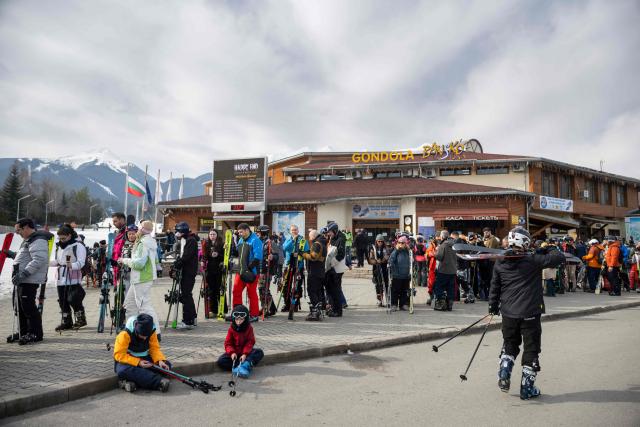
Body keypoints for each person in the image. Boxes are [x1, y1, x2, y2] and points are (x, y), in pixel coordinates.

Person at [489, 227, 564, 400]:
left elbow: (495, 286)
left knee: (510, 343)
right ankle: (527, 388)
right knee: (531, 349)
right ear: (525, 242)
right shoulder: (533, 260)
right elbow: (558, 258)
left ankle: (504, 371)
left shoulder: (501, 261)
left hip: (508, 311)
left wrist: (492, 306)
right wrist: (547, 247)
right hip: (530, 311)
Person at [5, 218, 53, 344]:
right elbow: (26, 257)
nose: (17, 233)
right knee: (19, 307)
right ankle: (23, 331)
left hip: (29, 279)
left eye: (18, 230)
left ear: (26, 227)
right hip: (22, 279)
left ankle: (36, 333)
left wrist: (24, 273)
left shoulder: (38, 239)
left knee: (28, 307)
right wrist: (13, 255)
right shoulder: (29, 239)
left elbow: (39, 259)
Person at [118, 221, 162, 338]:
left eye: (139, 229)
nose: (136, 232)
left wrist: (124, 260)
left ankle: (156, 333)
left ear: (142, 230)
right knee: (130, 304)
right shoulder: (149, 242)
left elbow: (139, 264)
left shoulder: (143, 243)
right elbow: (155, 260)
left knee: (145, 306)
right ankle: (131, 330)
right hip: (141, 278)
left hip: (141, 278)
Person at [113, 313, 171, 393]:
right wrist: (138, 362)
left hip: (145, 359)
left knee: (167, 365)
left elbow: (154, 348)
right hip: (129, 362)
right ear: (136, 329)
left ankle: (131, 382)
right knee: (123, 371)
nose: (144, 338)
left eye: (146, 336)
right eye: (142, 335)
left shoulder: (152, 331)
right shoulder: (124, 334)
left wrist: (160, 360)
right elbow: (119, 355)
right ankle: (158, 383)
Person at [50, 224, 87, 331]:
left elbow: (81, 262)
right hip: (61, 277)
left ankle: (80, 319)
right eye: (60, 238)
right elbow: (58, 261)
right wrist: (48, 263)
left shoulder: (78, 246)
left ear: (69, 235)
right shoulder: (59, 246)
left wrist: (72, 265)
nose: (62, 240)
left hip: (73, 277)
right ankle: (67, 321)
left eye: (64, 238)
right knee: (62, 300)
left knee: (74, 299)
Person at [216, 305, 264, 378]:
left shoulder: (249, 328)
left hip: (245, 353)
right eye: (236, 319)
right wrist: (232, 353)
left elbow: (250, 342)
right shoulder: (231, 329)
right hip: (235, 353)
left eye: (241, 319)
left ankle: (245, 365)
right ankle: (241, 366)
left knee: (259, 352)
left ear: (245, 319)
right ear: (233, 319)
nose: (238, 322)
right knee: (221, 361)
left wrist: (245, 354)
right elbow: (228, 343)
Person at [233, 223, 263, 321]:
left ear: (247, 230)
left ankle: (254, 315)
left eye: (241, 232)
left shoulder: (255, 240)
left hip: (251, 272)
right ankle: (237, 312)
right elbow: (237, 253)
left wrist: (248, 268)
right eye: (239, 232)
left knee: (251, 293)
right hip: (240, 270)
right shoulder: (241, 240)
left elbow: (257, 257)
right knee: (236, 291)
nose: (240, 234)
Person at [173, 221, 199, 329]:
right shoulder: (184, 240)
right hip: (186, 270)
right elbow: (183, 255)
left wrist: (178, 263)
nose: (177, 234)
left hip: (189, 271)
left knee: (186, 295)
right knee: (187, 294)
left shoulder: (191, 240)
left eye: (178, 232)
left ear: (183, 231)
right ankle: (192, 318)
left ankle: (188, 320)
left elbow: (187, 256)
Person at [281, 224, 309, 313]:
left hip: (299, 267)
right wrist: (292, 241)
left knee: (297, 287)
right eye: (292, 230)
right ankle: (287, 304)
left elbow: (307, 252)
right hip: (288, 266)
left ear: (298, 230)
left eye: (295, 230)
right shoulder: (288, 240)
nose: (294, 232)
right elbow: (285, 248)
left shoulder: (303, 240)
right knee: (285, 286)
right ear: (290, 231)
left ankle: (295, 304)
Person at [302, 229, 327, 320]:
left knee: (312, 290)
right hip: (320, 271)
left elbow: (314, 257)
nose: (309, 238)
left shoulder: (317, 244)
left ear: (313, 236)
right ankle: (320, 310)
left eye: (309, 237)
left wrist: (304, 254)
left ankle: (315, 312)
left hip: (314, 272)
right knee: (318, 291)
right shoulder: (322, 243)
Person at [324, 222, 347, 317]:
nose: (328, 234)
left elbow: (341, 254)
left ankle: (338, 311)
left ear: (334, 230)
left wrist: (332, 263)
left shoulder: (341, 238)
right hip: (331, 268)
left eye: (330, 232)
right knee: (331, 290)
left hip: (337, 268)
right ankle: (333, 308)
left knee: (336, 290)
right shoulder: (332, 238)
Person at [256, 225, 278, 318]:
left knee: (263, 289)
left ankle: (266, 308)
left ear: (263, 233)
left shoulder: (270, 243)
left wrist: (272, 256)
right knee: (262, 289)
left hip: (266, 269)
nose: (257, 234)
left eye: (258, 232)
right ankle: (270, 308)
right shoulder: (257, 241)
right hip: (258, 269)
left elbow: (278, 255)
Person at [203, 229, 225, 317]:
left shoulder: (221, 244)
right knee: (211, 290)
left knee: (219, 289)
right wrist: (203, 260)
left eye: (214, 234)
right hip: (210, 270)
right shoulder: (206, 244)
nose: (212, 236)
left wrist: (218, 255)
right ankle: (213, 310)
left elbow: (225, 256)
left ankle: (222, 309)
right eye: (211, 234)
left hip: (219, 269)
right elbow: (203, 255)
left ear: (217, 235)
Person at [433, 230, 457, 311]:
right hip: (453, 270)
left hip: (444, 270)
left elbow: (439, 257)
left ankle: (441, 304)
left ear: (442, 236)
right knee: (450, 288)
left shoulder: (443, 245)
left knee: (439, 287)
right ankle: (450, 304)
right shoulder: (454, 244)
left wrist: (435, 253)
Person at [389, 236, 411, 311]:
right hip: (397, 275)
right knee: (395, 291)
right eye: (399, 242)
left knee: (404, 291)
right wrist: (396, 251)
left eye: (402, 243)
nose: (400, 244)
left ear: (405, 243)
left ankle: (403, 304)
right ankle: (394, 304)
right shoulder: (395, 251)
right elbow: (391, 260)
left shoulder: (408, 251)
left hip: (406, 275)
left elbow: (412, 261)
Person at [368, 235, 390, 307]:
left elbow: (387, 256)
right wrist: (376, 261)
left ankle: (388, 300)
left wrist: (383, 260)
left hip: (384, 268)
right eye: (378, 241)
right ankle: (380, 301)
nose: (380, 242)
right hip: (376, 269)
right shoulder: (373, 248)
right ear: (376, 241)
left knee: (386, 284)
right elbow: (370, 259)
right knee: (378, 285)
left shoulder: (386, 248)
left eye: (381, 241)